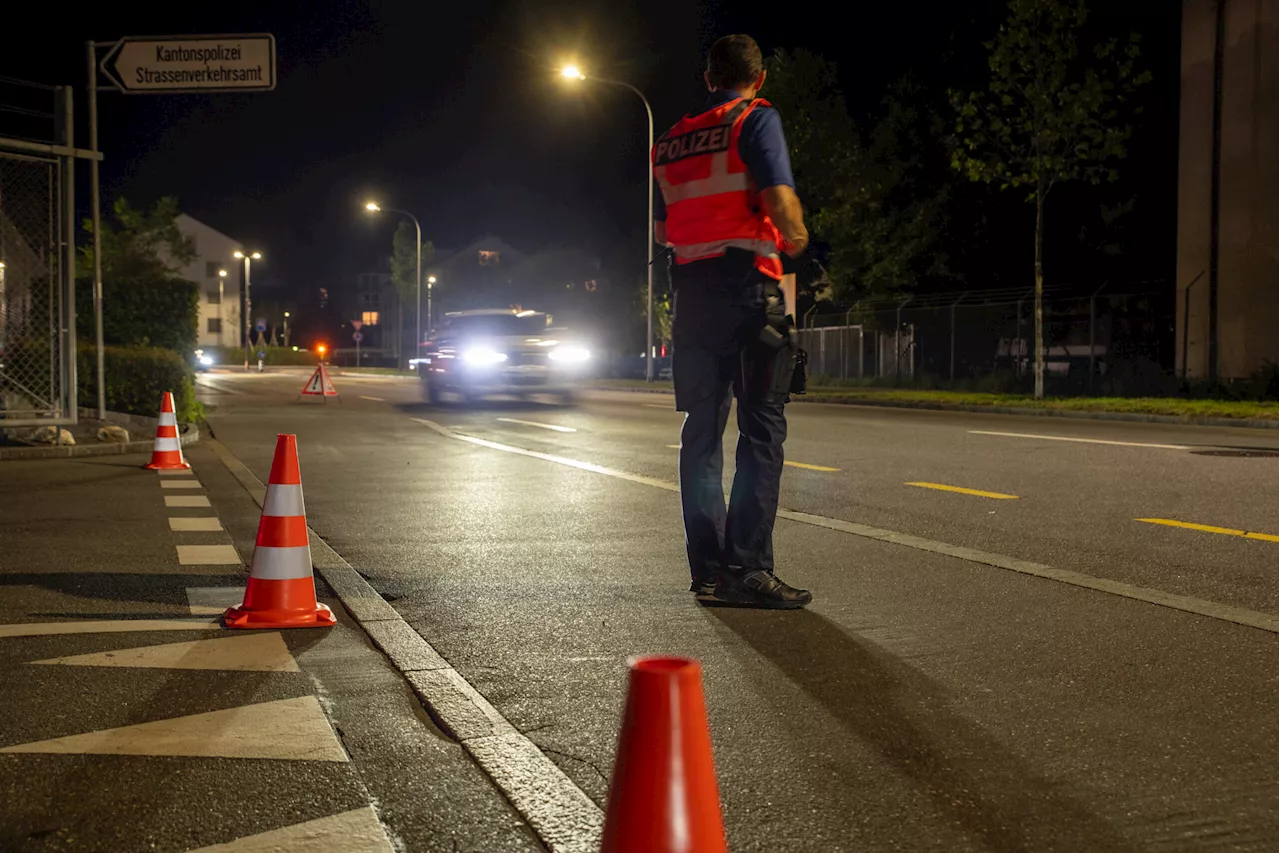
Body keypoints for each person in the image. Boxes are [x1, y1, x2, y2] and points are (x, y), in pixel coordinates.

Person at [652, 34, 812, 609]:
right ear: (759, 78)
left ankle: (708, 570)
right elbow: (779, 200)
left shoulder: (669, 142)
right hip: (748, 291)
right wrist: (798, 241)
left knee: (701, 433)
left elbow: (661, 230)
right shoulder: (755, 119)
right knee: (762, 430)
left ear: (708, 77)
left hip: (692, 298)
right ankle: (747, 569)